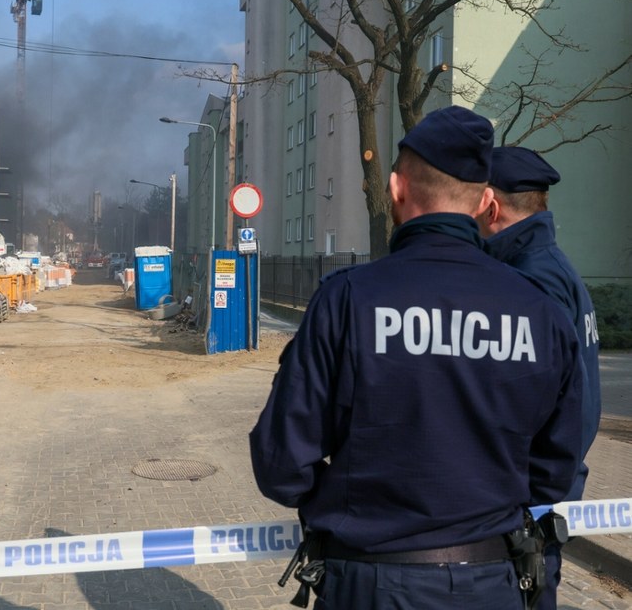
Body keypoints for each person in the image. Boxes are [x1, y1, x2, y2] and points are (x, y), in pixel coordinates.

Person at [249, 106, 584, 610]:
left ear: (396, 188)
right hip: (495, 581)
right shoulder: (539, 309)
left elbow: (281, 462)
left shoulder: (348, 299)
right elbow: (557, 468)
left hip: (372, 582)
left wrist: (345, 500)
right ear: (483, 201)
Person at [477, 146, 602, 610]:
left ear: (489, 203)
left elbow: (531, 401)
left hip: (527, 500)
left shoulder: (529, 280)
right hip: (550, 489)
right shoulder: (554, 266)